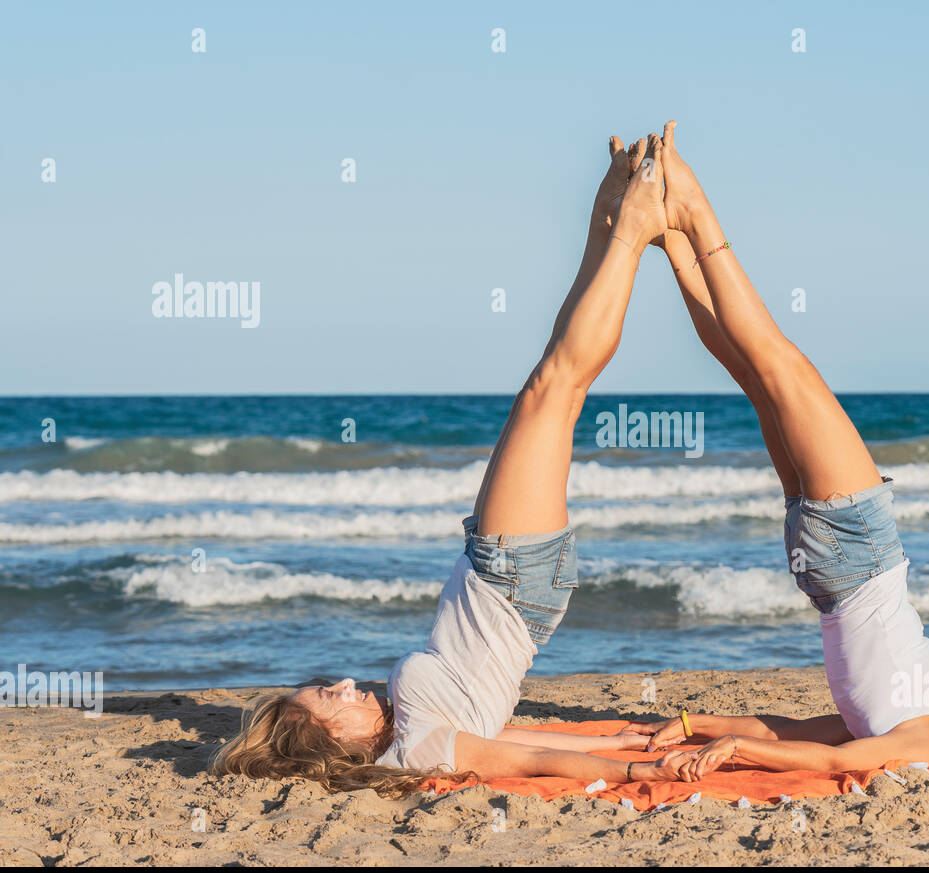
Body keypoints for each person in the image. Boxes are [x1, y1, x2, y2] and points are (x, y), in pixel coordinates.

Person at [211, 133, 681, 797]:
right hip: (510, 581)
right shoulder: (422, 746)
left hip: (502, 573)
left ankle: (609, 217)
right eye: (331, 697)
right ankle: (631, 230)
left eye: (330, 684)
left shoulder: (412, 730)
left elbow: (520, 741)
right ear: (333, 739)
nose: (346, 683)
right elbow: (526, 766)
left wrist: (623, 739)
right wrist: (635, 769)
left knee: (551, 380)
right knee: (556, 386)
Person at [626, 122, 929, 781]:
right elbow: (793, 729)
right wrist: (701, 726)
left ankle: (692, 212)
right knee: (758, 377)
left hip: (859, 548)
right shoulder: (901, 717)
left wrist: (739, 751)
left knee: (779, 364)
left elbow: (833, 758)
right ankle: (669, 237)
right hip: (825, 569)